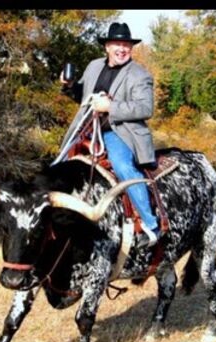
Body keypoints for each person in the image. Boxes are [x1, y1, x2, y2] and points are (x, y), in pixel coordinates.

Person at [59, 22, 161, 249]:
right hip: (87, 128)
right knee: (61, 165)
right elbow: (83, 96)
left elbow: (146, 108)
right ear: (107, 46)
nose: (122, 48)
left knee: (123, 167)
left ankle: (150, 225)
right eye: (117, 44)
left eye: (126, 44)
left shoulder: (139, 74)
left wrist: (110, 107)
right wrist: (69, 86)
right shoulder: (94, 66)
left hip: (119, 131)